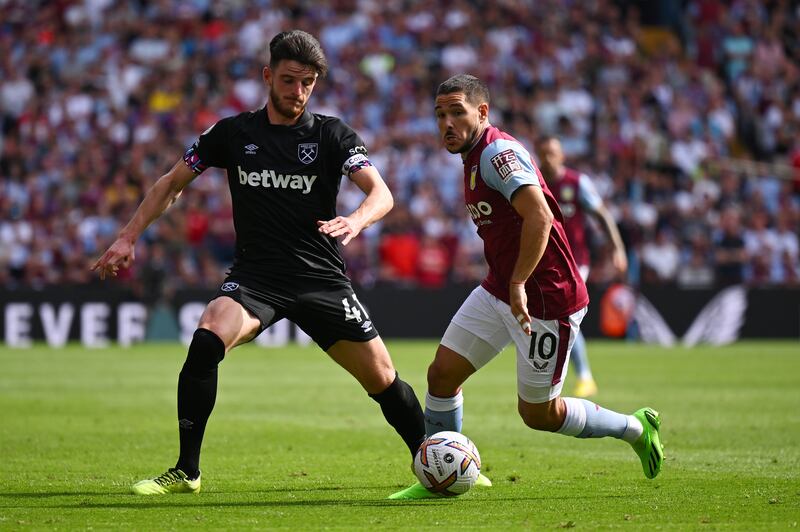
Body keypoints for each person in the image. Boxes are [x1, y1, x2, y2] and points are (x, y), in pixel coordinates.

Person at [92, 30, 426, 495]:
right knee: (207, 339)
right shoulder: (232, 134)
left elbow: (381, 193)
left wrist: (356, 220)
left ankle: (434, 463)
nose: (298, 92)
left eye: (307, 83)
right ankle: (187, 471)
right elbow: (171, 183)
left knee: (384, 380)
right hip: (256, 279)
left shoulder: (332, 135)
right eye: (289, 81)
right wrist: (128, 237)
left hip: (321, 280)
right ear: (268, 76)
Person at [389, 75, 663, 499]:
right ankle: (445, 475)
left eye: (457, 112)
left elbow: (540, 217)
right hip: (501, 288)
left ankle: (635, 427)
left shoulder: (498, 153)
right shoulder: (470, 156)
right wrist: (510, 282)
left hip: (547, 300)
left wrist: (519, 281)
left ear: (482, 113)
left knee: (539, 414)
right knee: (442, 374)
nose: (446, 123)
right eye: (440, 114)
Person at [535, 136, 628, 397]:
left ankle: (584, 376)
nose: (547, 158)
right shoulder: (533, 183)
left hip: (576, 262)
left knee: (565, 315)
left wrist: (618, 249)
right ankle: (557, 373)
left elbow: (602, 216)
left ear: (562, 155)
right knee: (552, 319)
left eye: (552, 152)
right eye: (543, 153)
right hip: (543, 264)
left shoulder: (577, 183)